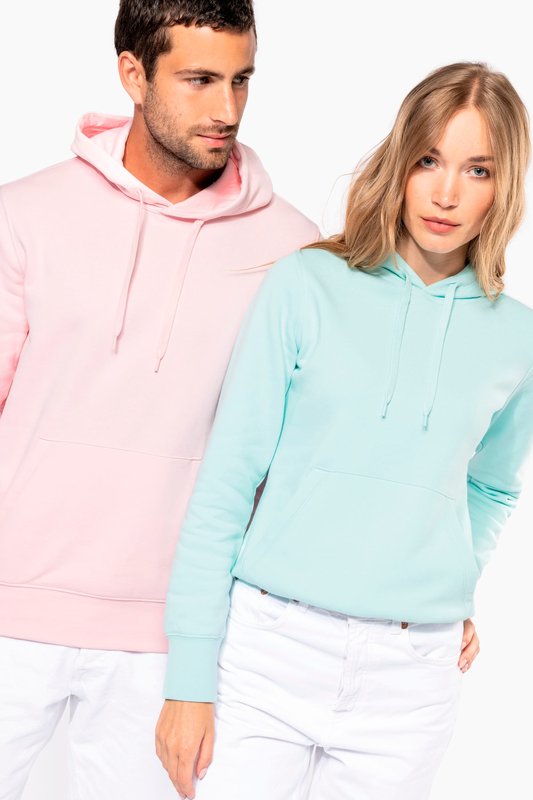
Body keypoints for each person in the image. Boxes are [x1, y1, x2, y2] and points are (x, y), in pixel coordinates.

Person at [158, 61, 532, 800]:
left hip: (411, 679)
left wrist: (452, 580)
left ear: (505, 185)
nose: (447, 193)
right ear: (400, 162)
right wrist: (188, 676)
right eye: (428, 160)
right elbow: (229, 476)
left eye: (477, 170)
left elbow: (490, 486)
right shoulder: (307, 283)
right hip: (269, 650)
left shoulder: (516, 339)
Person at [0, 1, 319, 797]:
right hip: (9, 609)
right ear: (133, 74)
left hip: (169, 639)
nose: (227, 109)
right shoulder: (23, 215)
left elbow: (298, 456)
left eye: (241, 80)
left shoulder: (292, 250)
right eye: (199, 80)